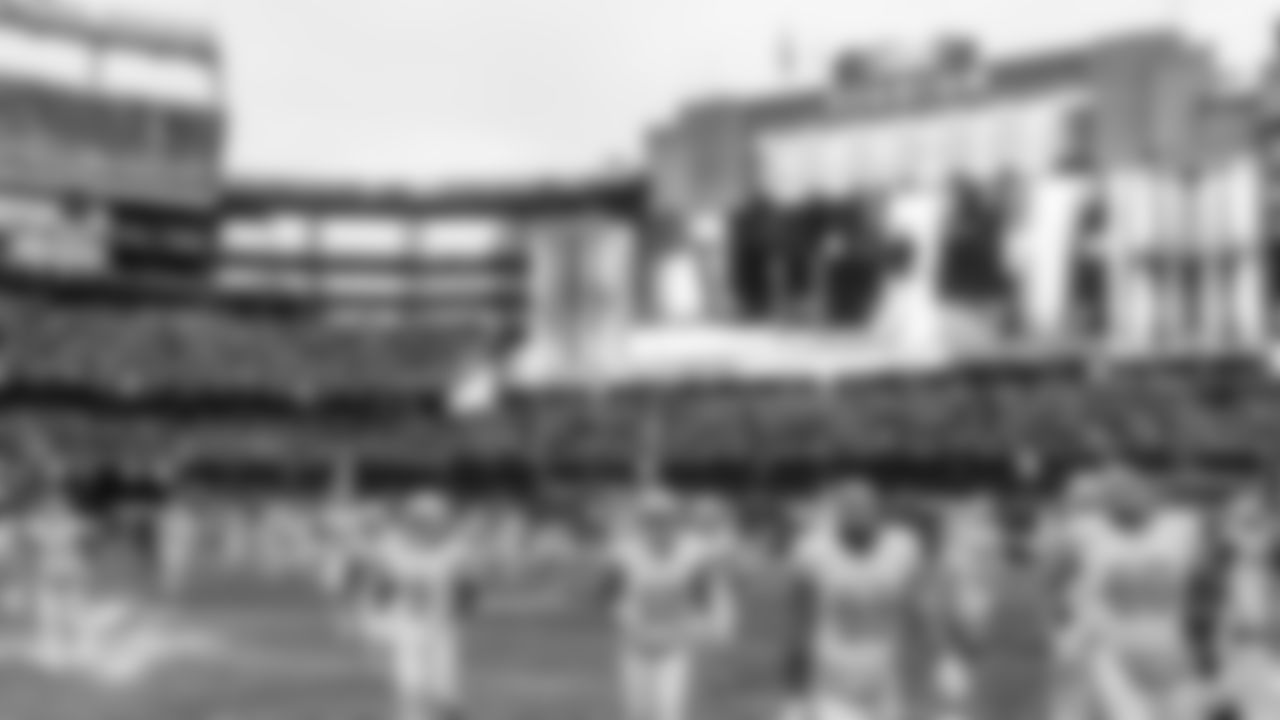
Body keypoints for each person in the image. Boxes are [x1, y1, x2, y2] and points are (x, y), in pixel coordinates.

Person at [1051, 465, 1211, 720]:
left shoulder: (1179, 528)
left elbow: (1206, 585)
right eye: (1113, 497)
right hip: (1110, 654)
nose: (1125, 502)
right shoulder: (1086, 534)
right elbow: (1051, 583)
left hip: (1167, 650)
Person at [782, 481, 929, 720]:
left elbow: (915, 608)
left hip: (884, 670)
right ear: (839, 514)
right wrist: (796, 669)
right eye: (851, 509)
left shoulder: (902, 547)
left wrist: (922, 660)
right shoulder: (813, 549)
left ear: (878, 511)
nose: (859, 515)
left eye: (865, 508)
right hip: (831, 672)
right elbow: (800, 611)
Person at [604, 484, 732, 720]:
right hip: (636, 645)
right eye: (652, 520)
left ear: (674, 522)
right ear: (642, 523)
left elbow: (704, 600)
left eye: (663, 520)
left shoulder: (692, 553)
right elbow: (609, 596)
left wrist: (696, 630)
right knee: (638, 712)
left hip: (673, 647)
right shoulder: (626, 552)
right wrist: (624, 621)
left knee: (668, 712)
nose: (658, 526)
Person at [352, 490, 477, 720]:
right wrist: (377, 616)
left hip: (443, 622)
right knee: (412, 684)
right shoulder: (393, 546)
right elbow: (382, 586)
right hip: (407, 622)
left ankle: (443, 712)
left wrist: (461, 611)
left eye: (432, 520)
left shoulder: (456, 548)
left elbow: (468, 587)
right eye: (422, 520)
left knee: (445, 688)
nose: (427, 525)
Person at [1215, 483, 1280, 720]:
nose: (1253, 531)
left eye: (1259, 521)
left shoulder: (1272, 573)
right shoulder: (1214, 577)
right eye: (1244, 523)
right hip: (1235, 672)